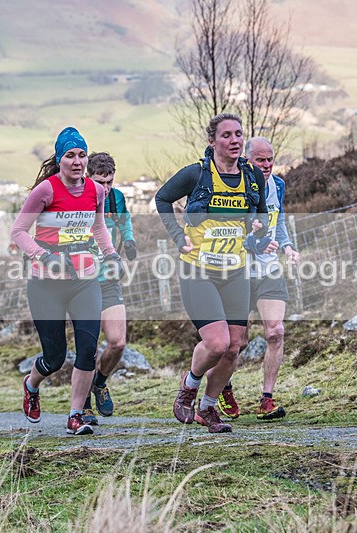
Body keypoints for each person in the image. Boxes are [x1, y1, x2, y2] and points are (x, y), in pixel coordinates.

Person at [155, 112, 269, 433]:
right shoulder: (196, 174)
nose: (234, 141)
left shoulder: (252, 177)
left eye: (238, 134)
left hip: (235, 270)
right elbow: (162, 198)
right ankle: (189, 387)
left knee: (236, 345)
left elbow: (260, 219)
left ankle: (208, 408)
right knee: (217, 343)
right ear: (212, 141)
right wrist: (178, 237)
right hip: (199, 269)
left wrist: (259, 228)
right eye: (226, 135)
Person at [11, 126, 122, 436]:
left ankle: (76, 415)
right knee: (55, 357)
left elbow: (98, 228)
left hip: (84, 279)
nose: (77, 161)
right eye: (70, 155)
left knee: (88, 348)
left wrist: (110, 254)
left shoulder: (96, 191)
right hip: (46, 283)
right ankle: (32, 384)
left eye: (82, 155)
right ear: (59, 159)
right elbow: (18, 232)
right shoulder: (45, 190)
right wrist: (42, 255)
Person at [216, 137, 300, 421]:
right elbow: (232, 232)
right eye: (260, 160)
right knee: (233, 345)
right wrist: (255, 243)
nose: (266, 165)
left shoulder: (277, 185)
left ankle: (267, 399)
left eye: (270, 159)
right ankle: (222, 389)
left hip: (269, 270)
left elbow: (279, 220)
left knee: (275, 332)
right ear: (246, 161)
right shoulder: (235, 187)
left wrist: (286, 245)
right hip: (238, 271)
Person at [80, 152, 136, 425]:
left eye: (110, 182)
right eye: (100, 182)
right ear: (86, 177)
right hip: (82, 280)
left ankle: (99, 382)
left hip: (109, 275)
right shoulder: (77, 201)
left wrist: (129, 240)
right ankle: (84, 406)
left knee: (118, 342)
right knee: (87, 347)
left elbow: (124, 220)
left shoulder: (116, 198)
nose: (106, 188)